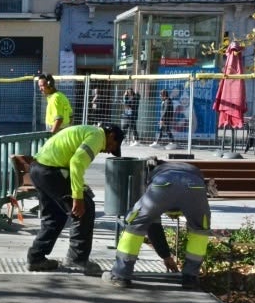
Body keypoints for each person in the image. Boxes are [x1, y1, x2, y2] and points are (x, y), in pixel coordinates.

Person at [26, 123, 124, 273]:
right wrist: (78, 198)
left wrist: (80, 187)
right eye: (114, 147)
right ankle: (77, 258)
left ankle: (36, 258)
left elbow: (71, 161)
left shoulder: (86, 130)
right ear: (111, 136)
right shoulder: (98, 136)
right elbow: (77, 162)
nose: (109, 151)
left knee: (54, 217)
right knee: (84, 208)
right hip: (52, 172)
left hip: (38, 169)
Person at [103, 157, 212, 289]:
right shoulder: (187, 168)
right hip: (195, 185)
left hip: (163, 185)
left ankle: (120, 275)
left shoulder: (156, 173)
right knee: (200, 230)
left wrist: (165, 256)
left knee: (135, 223)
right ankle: (190, 278)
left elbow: (153, 227)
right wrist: (166, 256)